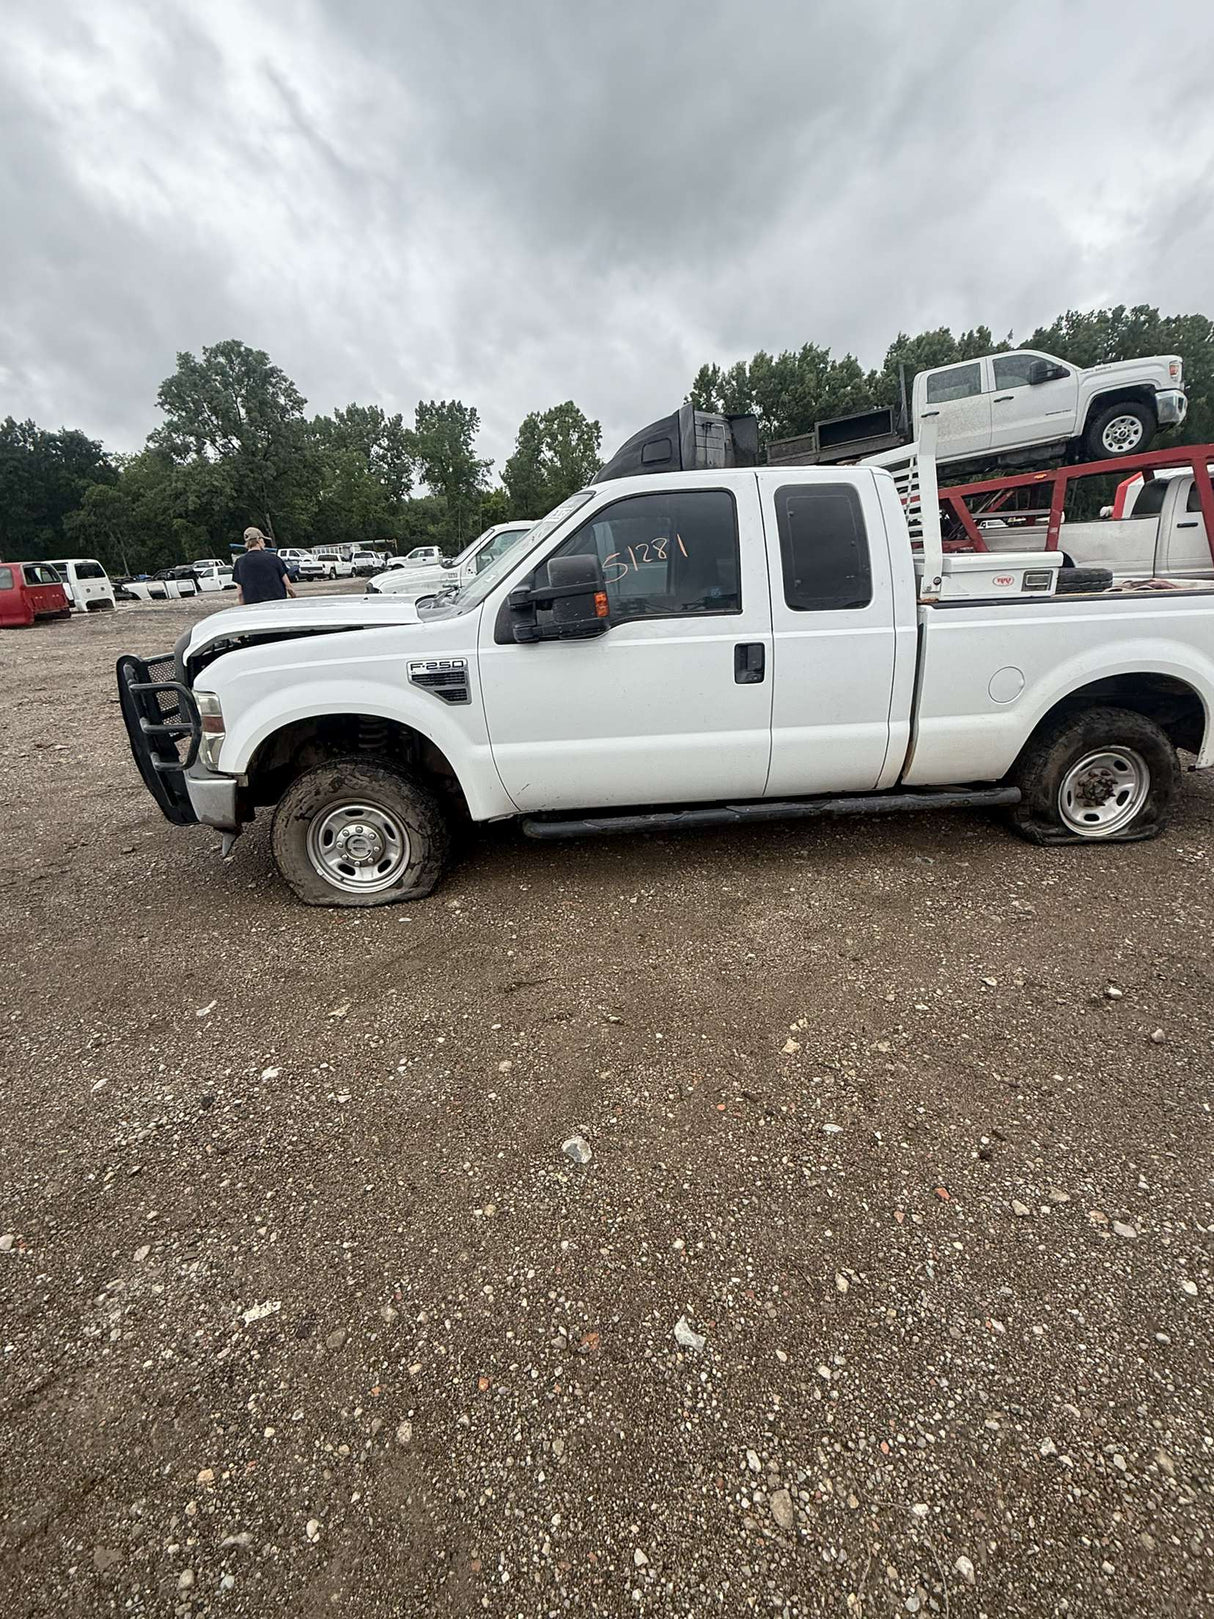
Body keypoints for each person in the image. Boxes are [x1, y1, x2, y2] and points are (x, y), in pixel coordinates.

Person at [232, 527, 296, 606]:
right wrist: (294, 600)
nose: (265, 543)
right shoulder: (274, 559)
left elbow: (240, 593)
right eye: (263, 540)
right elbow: (289, 587)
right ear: (259, 540)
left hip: (254, 609)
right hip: (277, 606)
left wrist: (243, 609)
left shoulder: (239, 563)